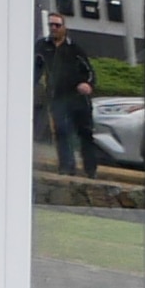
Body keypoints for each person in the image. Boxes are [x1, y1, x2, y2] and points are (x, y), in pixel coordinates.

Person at [37, 14, 102, 178]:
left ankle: (90, 168)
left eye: (57, 25)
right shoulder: (42, 46)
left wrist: (87, 84)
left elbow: (89, 71)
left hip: (78, 97)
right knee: (62, 131)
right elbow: (36, 68)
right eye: (51, 25)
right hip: (58, 96)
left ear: (64, 28)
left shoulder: (74, 48)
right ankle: (67, 167)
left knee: (84, 133)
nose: (53, 28)